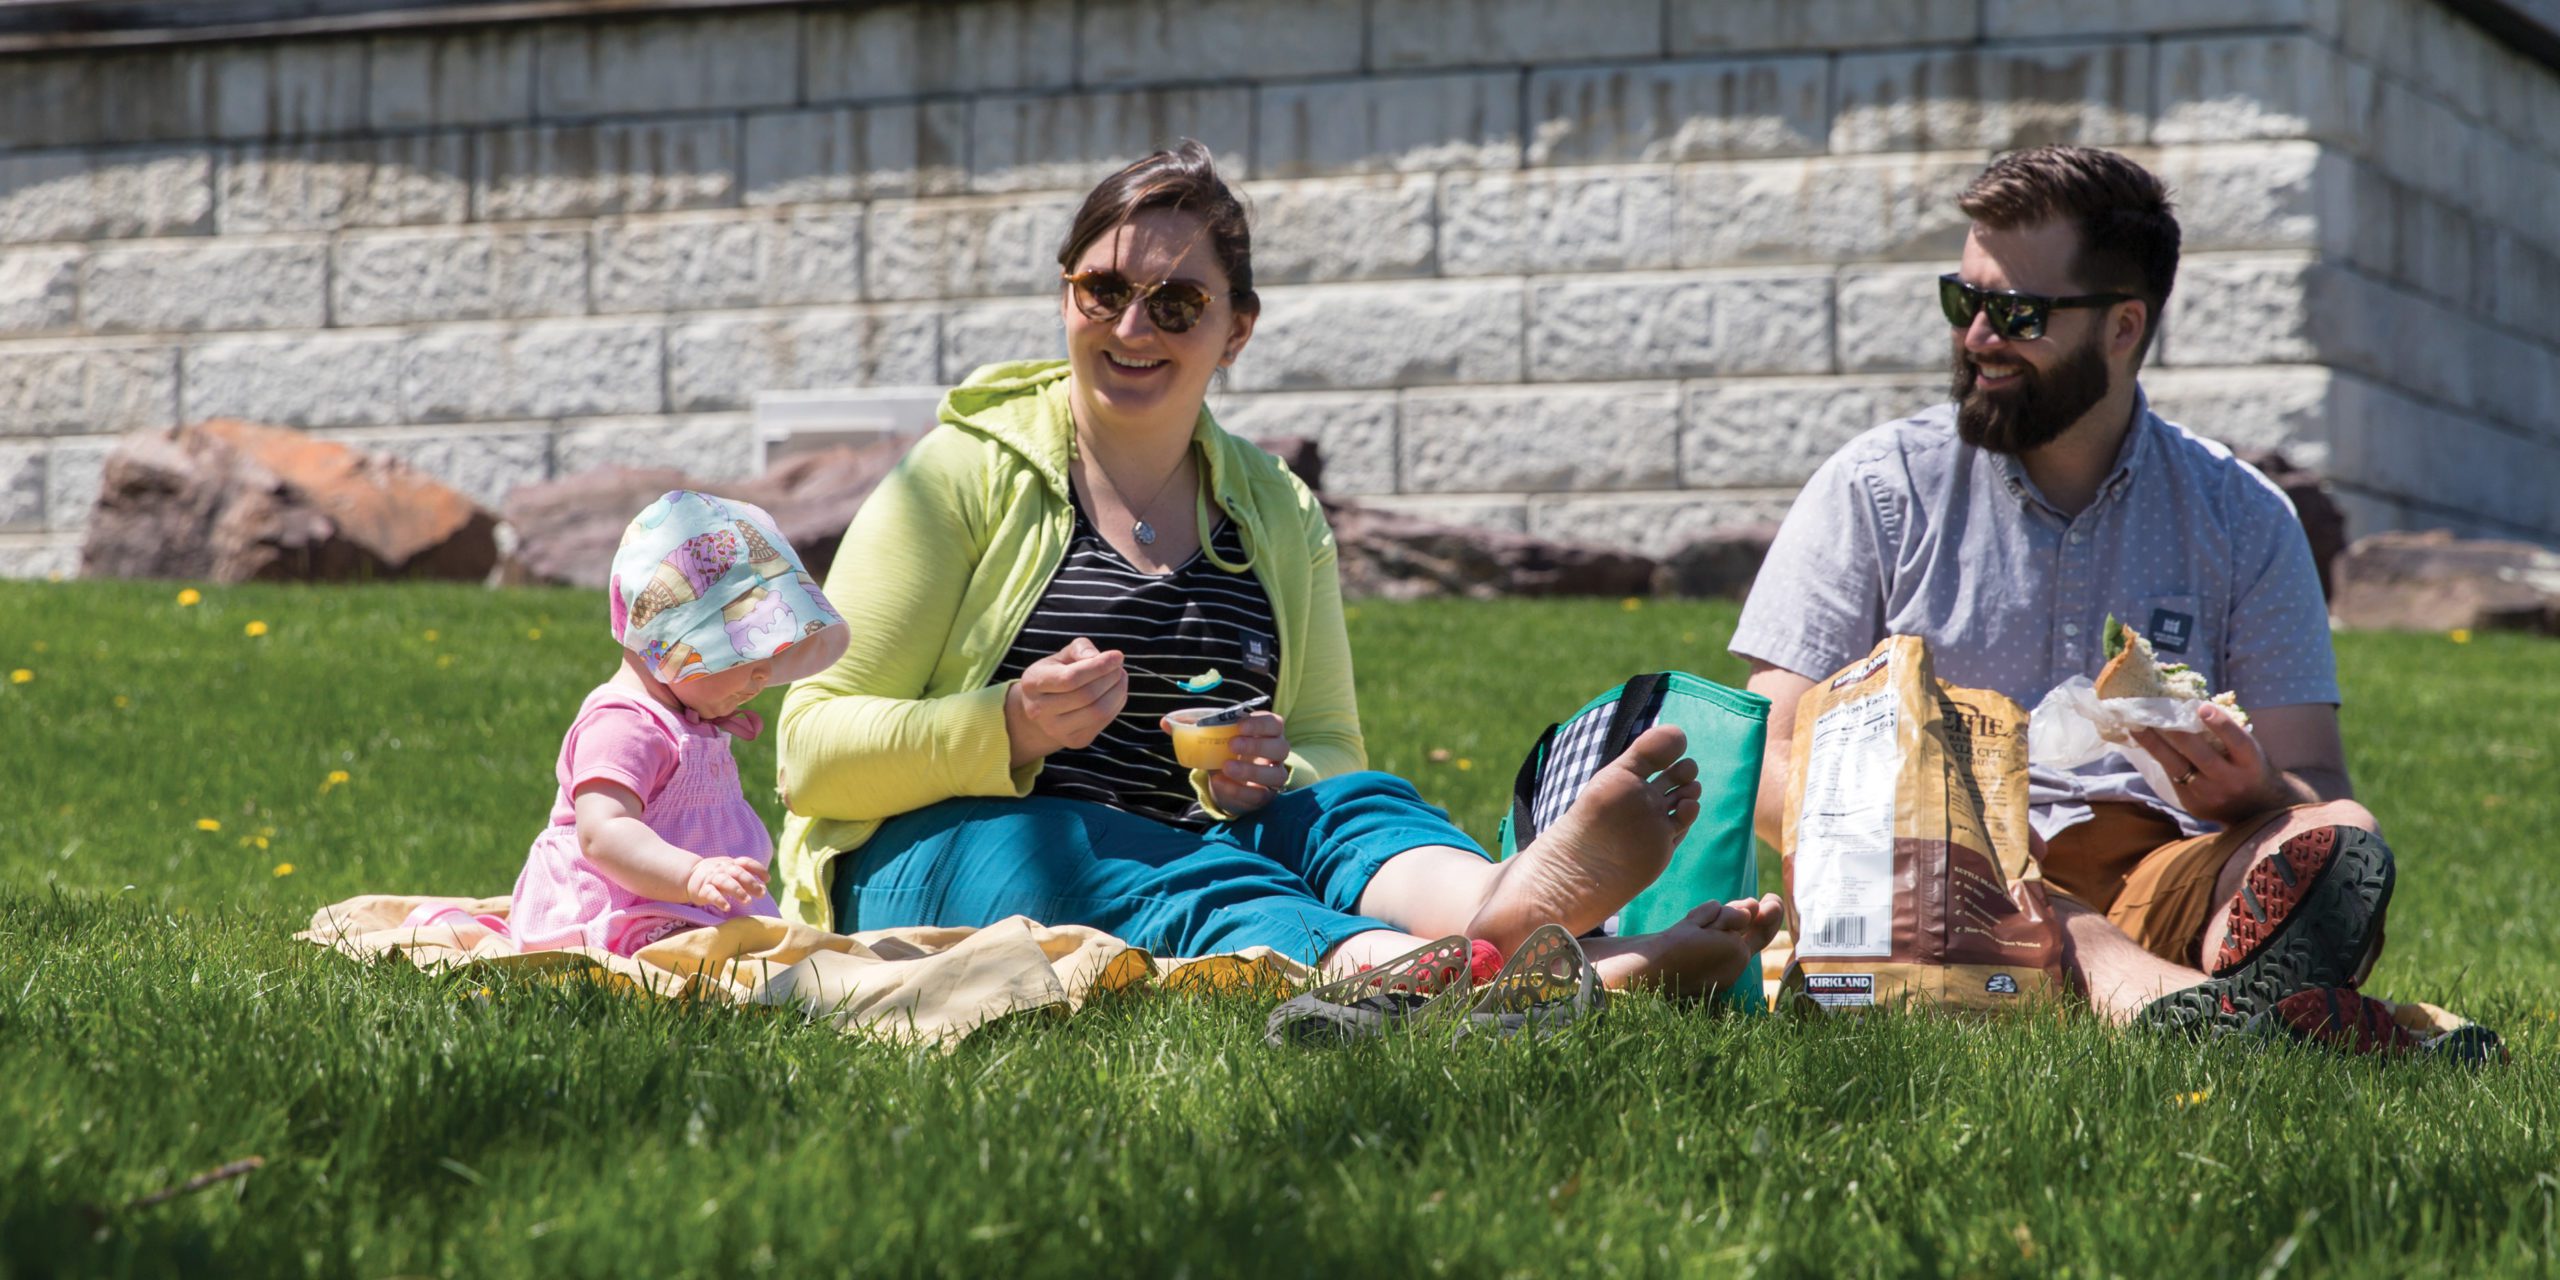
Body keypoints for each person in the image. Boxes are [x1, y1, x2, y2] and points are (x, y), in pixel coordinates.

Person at [772, 140, 1780, 993]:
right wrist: (1008, 723)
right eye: (1104, 290)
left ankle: (1505, 907)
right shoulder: (960, 475)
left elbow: (1329, 747)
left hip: (1201, 842)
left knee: (1354, 805)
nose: (1131, 327)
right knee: (1144, 863)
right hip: (942, 853)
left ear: (1235, 329)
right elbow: (809, 750)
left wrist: (1267, 775)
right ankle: (1450, 967)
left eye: (1175, 304)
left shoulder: (1273, 511)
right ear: (1066, 294)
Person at [1732, 145, 2469, 1057]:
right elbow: (1766, 753)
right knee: (2038, 908)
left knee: (2339, 831)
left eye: (2016, 313)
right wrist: (1965, 850)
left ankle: (2230, 999)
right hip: (1935, 873)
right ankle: (2208, 1014)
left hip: (2168, 863)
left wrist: (2261, 788)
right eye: (1964, 301)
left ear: (2123, 327)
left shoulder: (2243, 515)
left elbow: (2314, 776)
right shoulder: (1875, 489)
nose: (1976, 337)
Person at [497, 490, 850, 955]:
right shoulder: (624, 725)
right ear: (677, 643)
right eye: (744, 654)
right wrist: (692, 874)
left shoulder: (685, 715)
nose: (764, 675)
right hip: (619, 910)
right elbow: (602, 833)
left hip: (684, 905)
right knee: (705, 966)